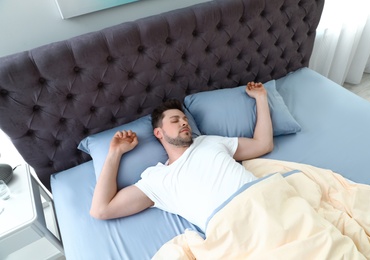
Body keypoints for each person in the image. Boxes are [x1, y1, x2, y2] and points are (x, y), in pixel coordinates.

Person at [90, 82, 274, 232]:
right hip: (231, 228)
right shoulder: (157, 179)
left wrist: (261, 98)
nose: (184, 122)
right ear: (158, 133)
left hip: (264, 201)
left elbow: (263, 144)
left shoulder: (209, 141)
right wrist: (115, 153)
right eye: (175, 120)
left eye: (184, 119)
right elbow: (101, 209)